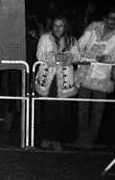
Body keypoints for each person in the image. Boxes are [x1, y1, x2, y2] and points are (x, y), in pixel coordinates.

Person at [75, 7, 115, 149]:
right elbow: (79, 45)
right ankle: (82, 137)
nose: (113, 21)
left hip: (102, 77)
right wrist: (82, 58)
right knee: (82, 109)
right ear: (105, 19)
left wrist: (106, 58)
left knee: (98, 110)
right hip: (85, 73)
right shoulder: (93, 28)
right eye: (110, 17)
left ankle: (91, 139)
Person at [35, 16, 81, 151]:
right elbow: (39, 54)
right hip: (48, 78)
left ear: (65, 27)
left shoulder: (71, 39)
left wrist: (68, 57)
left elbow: (78, 56)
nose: (58, 28)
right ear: (52, 26)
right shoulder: (44, 38)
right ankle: (47, 137)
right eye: (55, 25)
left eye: (61, 26)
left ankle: (57, 139)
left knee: (62, 112)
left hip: (65, 80)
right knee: (49, 111)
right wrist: (53, 57)